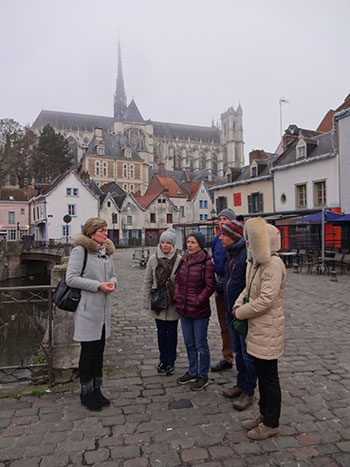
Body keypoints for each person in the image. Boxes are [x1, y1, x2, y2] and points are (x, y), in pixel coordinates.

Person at [233, 217, 286, 440]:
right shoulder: (256, 262)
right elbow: (248, 289)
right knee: (263, 377)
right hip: (257, 329)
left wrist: (241, 312)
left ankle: (271, 423)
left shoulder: (273, 264)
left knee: (269, 379)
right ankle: (264, 415)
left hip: (268, 330)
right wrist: (238, 304)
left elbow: (266, 300)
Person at [66, 218, 117, 411]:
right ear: (91, 233)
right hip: (87, 310)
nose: (106, 234)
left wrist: (112, 283)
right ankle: (86, 393)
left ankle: (97, 389)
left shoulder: (106, 252)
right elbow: (71, 278)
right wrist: (98, 285)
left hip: (103, 311)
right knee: (88, 352)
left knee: (99, 351)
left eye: (106, 230)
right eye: (102, 231)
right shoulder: (80, 251)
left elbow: (113, 275)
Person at [220, 220, 257, 411]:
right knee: (238, 353)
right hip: (230, 311)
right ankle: (240, 384)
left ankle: (249, 391)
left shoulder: (244, 256)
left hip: (241, 313)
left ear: (233, 236)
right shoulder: (230, 253)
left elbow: (249, 286)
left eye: (224, 234)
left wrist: (240, 309)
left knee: (246, 354)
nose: (220, 237)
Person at [174, 231, 215, 391]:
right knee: (189, 343)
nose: (189, 245)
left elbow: (209, 286)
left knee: (200, 344)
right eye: (188, 242)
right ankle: (192, 371)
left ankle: (202, 375)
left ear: (200, 245)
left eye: (193, 242)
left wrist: (198, 300)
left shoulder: (207, 262)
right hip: (184, 308)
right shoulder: (183, 259)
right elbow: (177, 280)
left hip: (199, 311)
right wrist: (177, 295)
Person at [143, 228, 181, 376]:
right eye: (163, 242)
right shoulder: (153, 259)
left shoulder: (179, 260)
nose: (165, 245)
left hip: (172, 303)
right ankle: (162, 360)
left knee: (171, 334)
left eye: (168, 243)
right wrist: (146, 302)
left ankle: (171, 362)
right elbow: (147, 281)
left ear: (172, 244)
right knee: (160, 334)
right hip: (158, 302)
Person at [211, 208, 236, 372]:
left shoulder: (237, 240)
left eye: (225, 219)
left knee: (237, 323)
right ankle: (227, 357)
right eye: (220, 219)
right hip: (220, 286)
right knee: (224, 324)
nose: (221, 222)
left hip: (234, 287)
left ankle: (242, 356)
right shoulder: (216, 240)